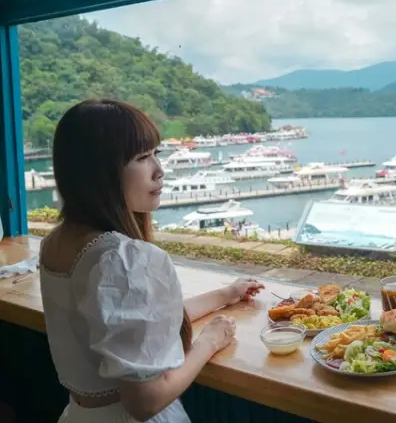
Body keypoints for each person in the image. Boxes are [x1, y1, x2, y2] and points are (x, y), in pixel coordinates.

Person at [38, 99, 265, 422]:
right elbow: (145, 400)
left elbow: (130, 324)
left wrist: (224, 295)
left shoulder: (56, 243)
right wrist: (209, 342)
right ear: (99, 172)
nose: (160, 170)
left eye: (156, 154)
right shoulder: (122, 259)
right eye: (143, 157)